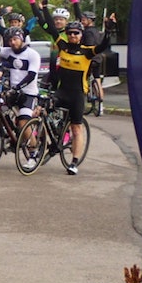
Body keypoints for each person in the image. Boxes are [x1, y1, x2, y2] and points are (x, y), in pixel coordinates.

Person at [49, 21, 97, 173]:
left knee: (76, 128)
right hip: (62, 91)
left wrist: (108, 31)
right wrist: (42, 9)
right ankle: (49, 140)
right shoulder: (63, 46)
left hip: (77, 94)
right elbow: (51, 28)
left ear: (81, 35)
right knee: (42, 110)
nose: (72, 35)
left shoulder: (87, 52)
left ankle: (74, 162)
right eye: (69, 33)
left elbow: (102, 47)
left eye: (76, 33)